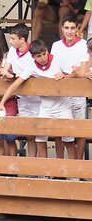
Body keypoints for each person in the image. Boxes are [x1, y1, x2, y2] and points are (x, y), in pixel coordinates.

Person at [0, 39, 77, 160]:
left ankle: (74, 175)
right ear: (33, 57)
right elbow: (15, 85)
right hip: (45, 106)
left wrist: (65, 76)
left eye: (44, 54)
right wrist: (1, 103)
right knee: (40, 140)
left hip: (63, 105)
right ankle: (44, 173)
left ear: (47, 51)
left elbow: (74, 73)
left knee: (69, 141)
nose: (43, 58)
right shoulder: (31, 65)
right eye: (39, 56)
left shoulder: (56, 59)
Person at [51, 14, 88, 159]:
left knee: (80, 131)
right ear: (62, 29)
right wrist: (75, 71)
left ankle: (77, 166)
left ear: (77, 29)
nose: (69, 31)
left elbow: (83, 72)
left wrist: (74, 72)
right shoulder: (56, 46)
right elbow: (54, 69)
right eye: (66, 28)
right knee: (60, 131)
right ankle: (61, 168)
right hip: (60, 94)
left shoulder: (83, 44)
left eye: (72, 28)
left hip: (78, 94)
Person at [1, 23, 41, 158]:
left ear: (22, 39)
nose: (10, 41)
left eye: (13, 38)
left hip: (36, 98)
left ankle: (38, 167)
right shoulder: (12, 51)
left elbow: (26, 75)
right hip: (22, 97)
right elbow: (7, 66)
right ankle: (30, 165)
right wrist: (5, 72)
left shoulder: (32, 53)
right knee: (29, 134)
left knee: (39, 135)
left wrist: (11, 75)